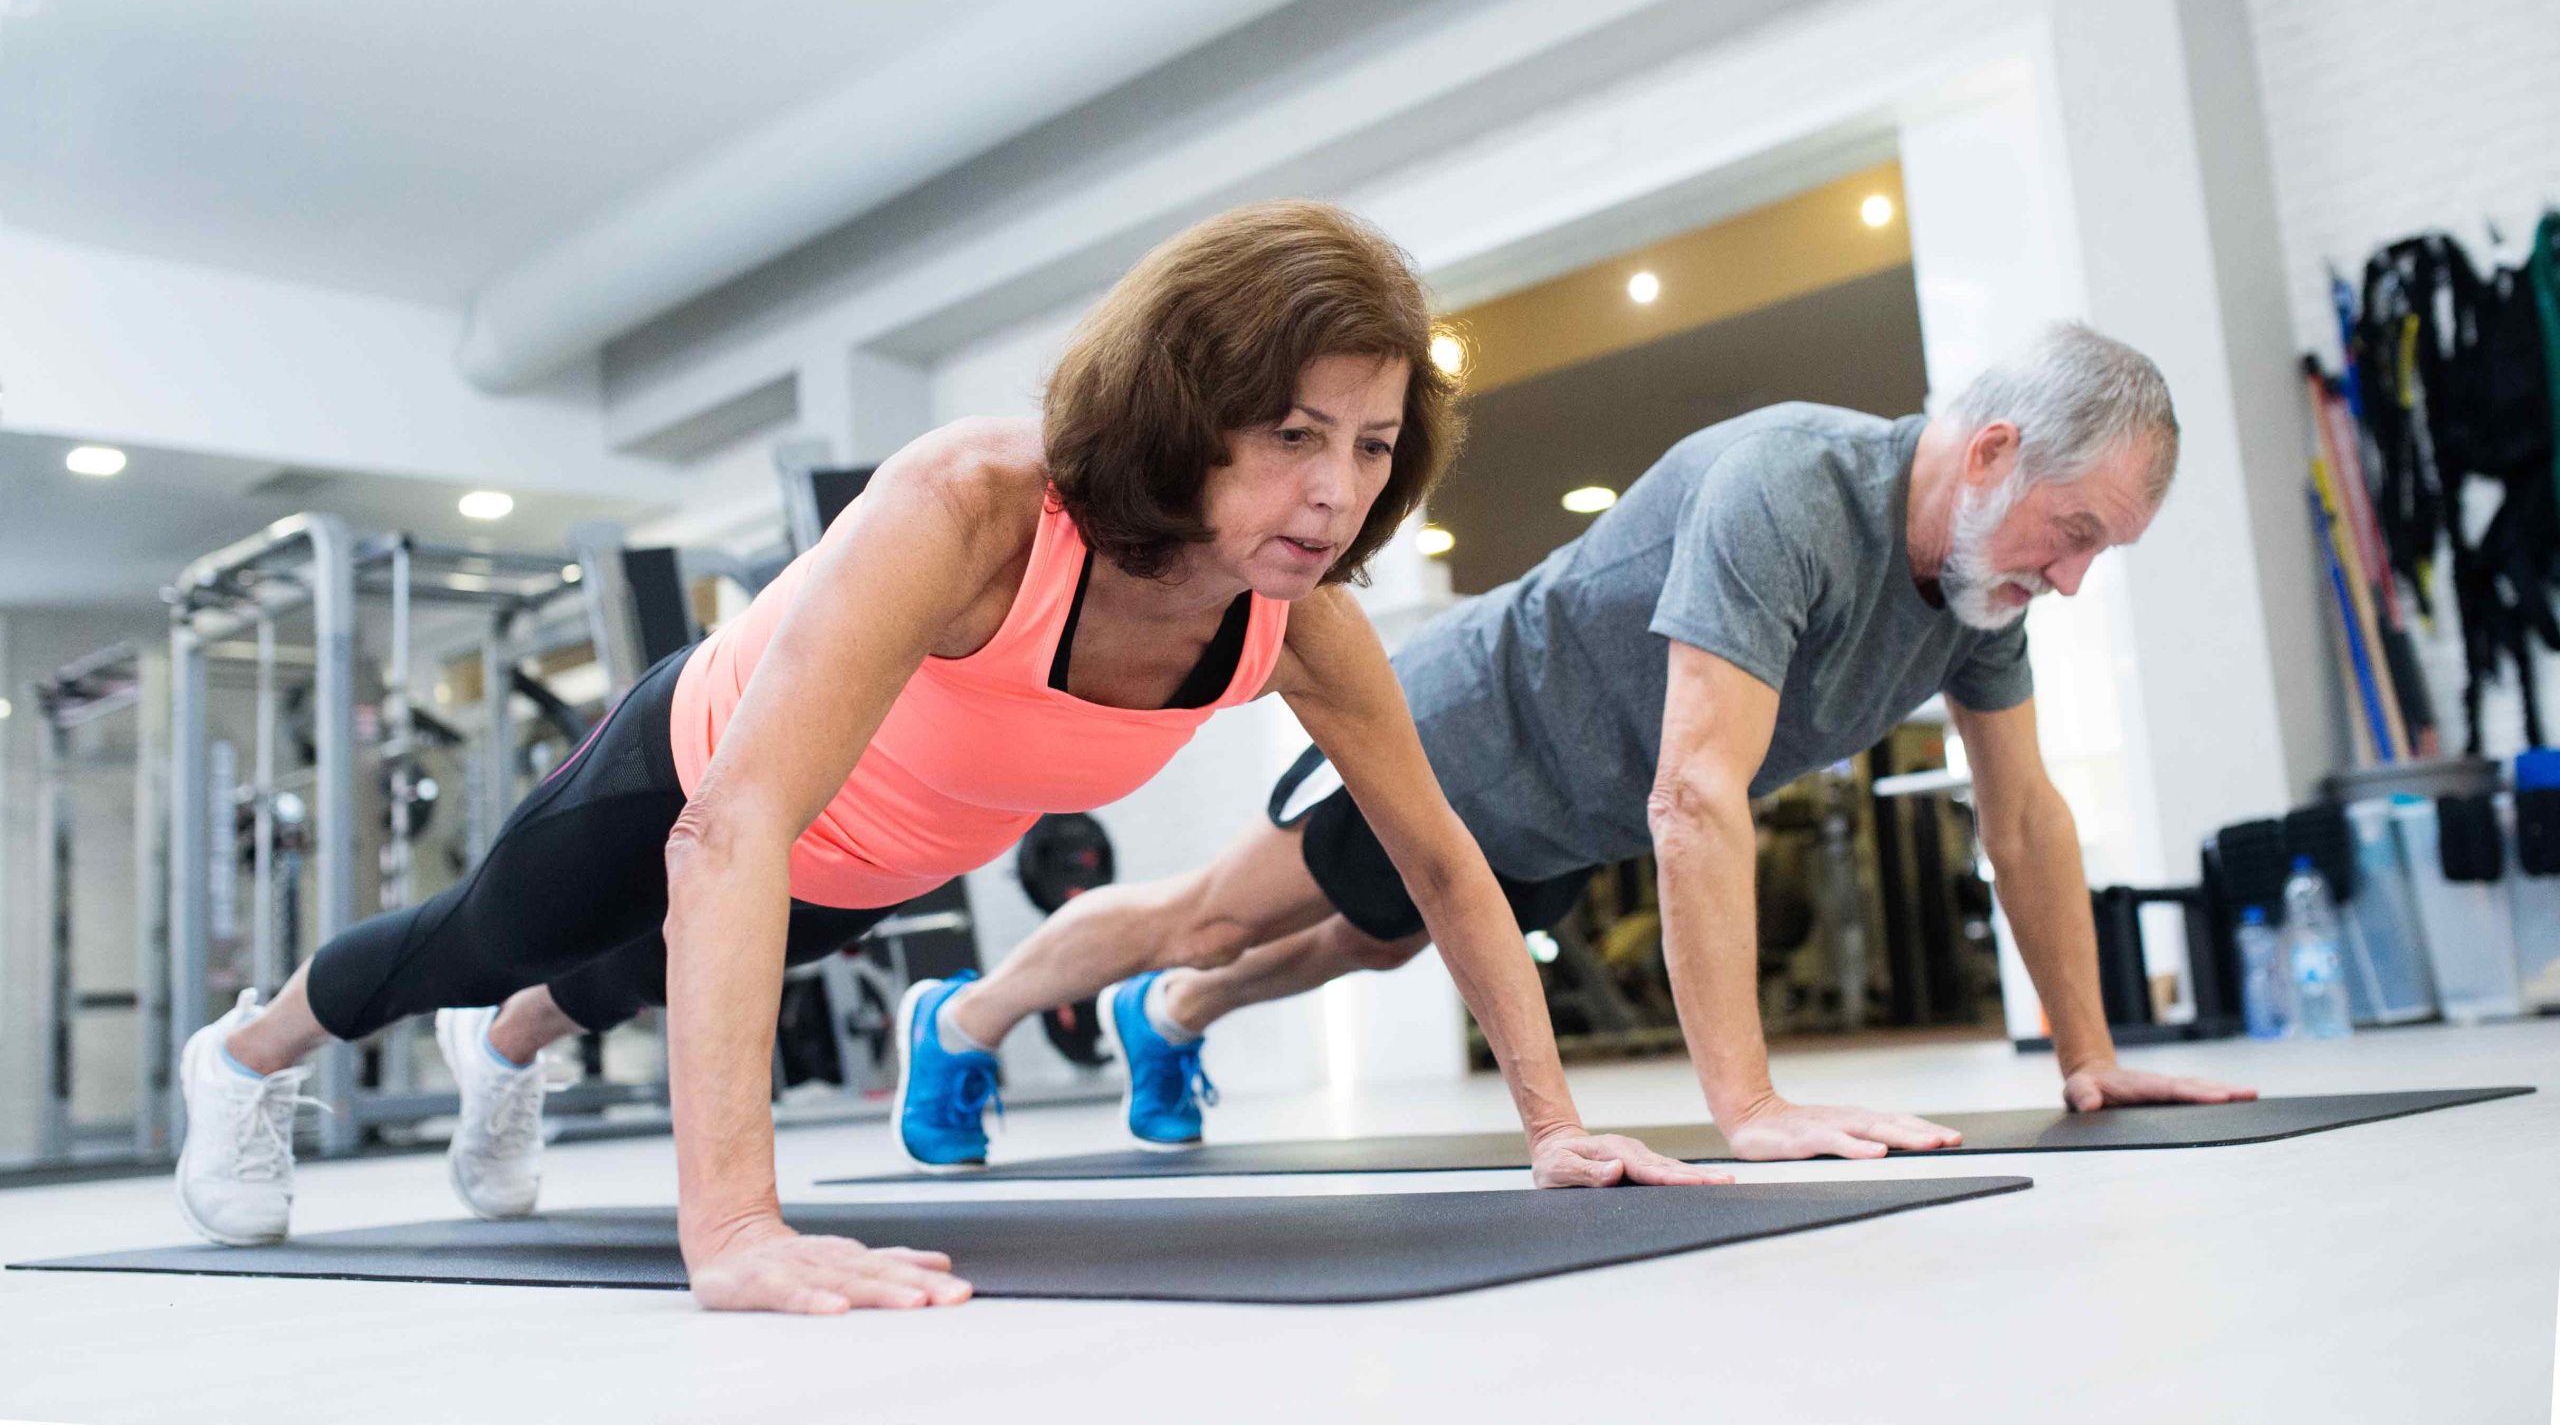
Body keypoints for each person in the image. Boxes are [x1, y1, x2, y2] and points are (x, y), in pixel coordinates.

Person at [170, 200, 1709, 1315]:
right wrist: (737, 1227)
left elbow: (1443, 856)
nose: (1334, 490)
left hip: (882, 852)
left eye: (1372, 447)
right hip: (700, 774)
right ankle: (245, 1057)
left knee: (620, 982)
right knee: (487, 939)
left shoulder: (1296, 617)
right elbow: (729, 829)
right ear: (1189, 411)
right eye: (1295, 434)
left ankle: (505, 1052)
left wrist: (1555, 1124)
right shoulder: (976, 506)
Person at [913, 325, 2255, 1163]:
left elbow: (2021, 817)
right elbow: (1696, 793)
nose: (2072, 577)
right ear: (1994, 453)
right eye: (2074, 532)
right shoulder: (1790, 488)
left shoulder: (1979, 589)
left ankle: (1172, 1019)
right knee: (1213, 912)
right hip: (1457, 730)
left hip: (1570, 814)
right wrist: (1751, 1106)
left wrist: (2088, 1051)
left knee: (1372, 939)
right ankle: (961, 1018)